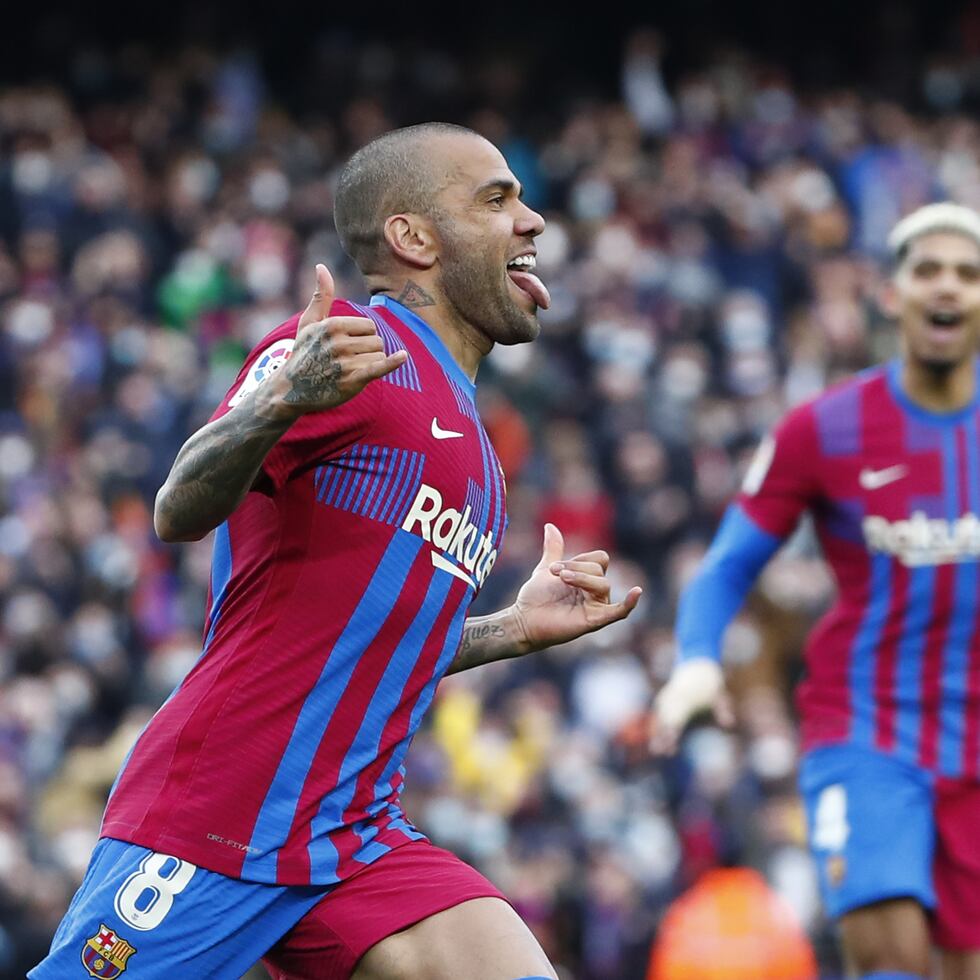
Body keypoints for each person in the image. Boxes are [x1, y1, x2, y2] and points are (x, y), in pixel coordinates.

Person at [31, 122, 641, 980]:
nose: (532, 220)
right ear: (414, 237)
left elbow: (364, 645)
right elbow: (178, 506)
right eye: (497, 199)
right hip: (225, 811)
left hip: (352, 834)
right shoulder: (341, 348)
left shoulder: (479, 449)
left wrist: (508, 629)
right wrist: (279, 402)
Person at [653, 201, 980, 980]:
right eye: (927, 270)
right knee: (893, 960)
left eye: (967, 274)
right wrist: (697, 657)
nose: (948, 288)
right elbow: (730, 560)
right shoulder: (825, 429)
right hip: (866, 729)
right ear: (892, 293)